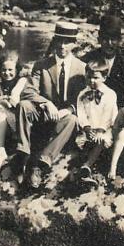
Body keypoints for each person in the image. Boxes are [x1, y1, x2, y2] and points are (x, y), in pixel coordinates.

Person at [13, 20, 86, 189]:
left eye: (67, 42)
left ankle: (41, 163)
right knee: (24, 105)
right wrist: (46, 104)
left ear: (74, 43)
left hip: (65, 117)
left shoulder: (82, 68)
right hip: (44, 113)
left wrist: (67, 110)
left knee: (73, 120)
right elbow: (28, 91)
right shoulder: (42, 65)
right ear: (54, 41)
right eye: (59, 41)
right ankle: (22, 154)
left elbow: (81, 99)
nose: (62, 46)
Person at [75, 53, 118, 186]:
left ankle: (87, 166)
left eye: (96, 78)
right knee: (82, 142)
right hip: (89, 128)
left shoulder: (110, 94)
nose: (92, 81)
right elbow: (81, 113)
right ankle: (87, 169)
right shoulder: (82, 94)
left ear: (104, 78)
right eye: (89, 77)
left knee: (101, 140)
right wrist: (87, 128)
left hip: (105, 128)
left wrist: (100, 130)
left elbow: (107, 116)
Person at [84, 14, 124, 103]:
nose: (109, 43)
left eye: (113, 39)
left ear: (119, 40)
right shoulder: (89, 59)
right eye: (105, 39)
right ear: (99, 39)